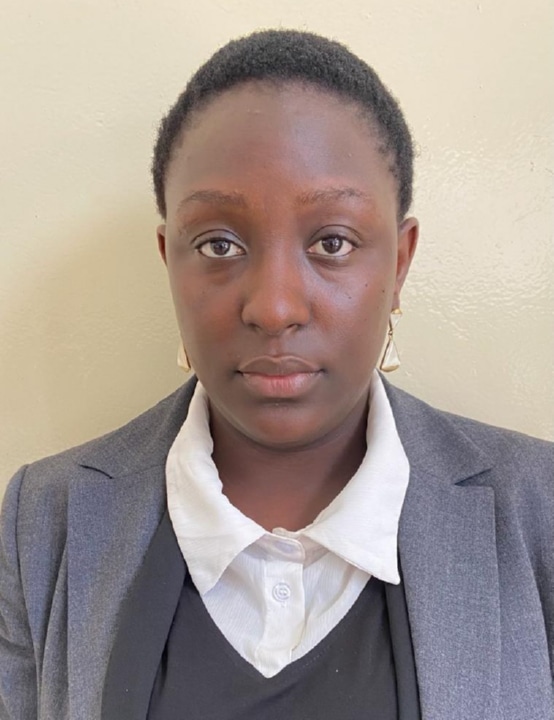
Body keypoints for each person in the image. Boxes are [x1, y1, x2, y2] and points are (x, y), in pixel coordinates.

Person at [0, 29, 552, 720]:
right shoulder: (44, 521)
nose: (274, 307)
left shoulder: (538, 509)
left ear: (400, 261)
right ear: (170, 259)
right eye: (219, 244)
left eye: (332, 242)